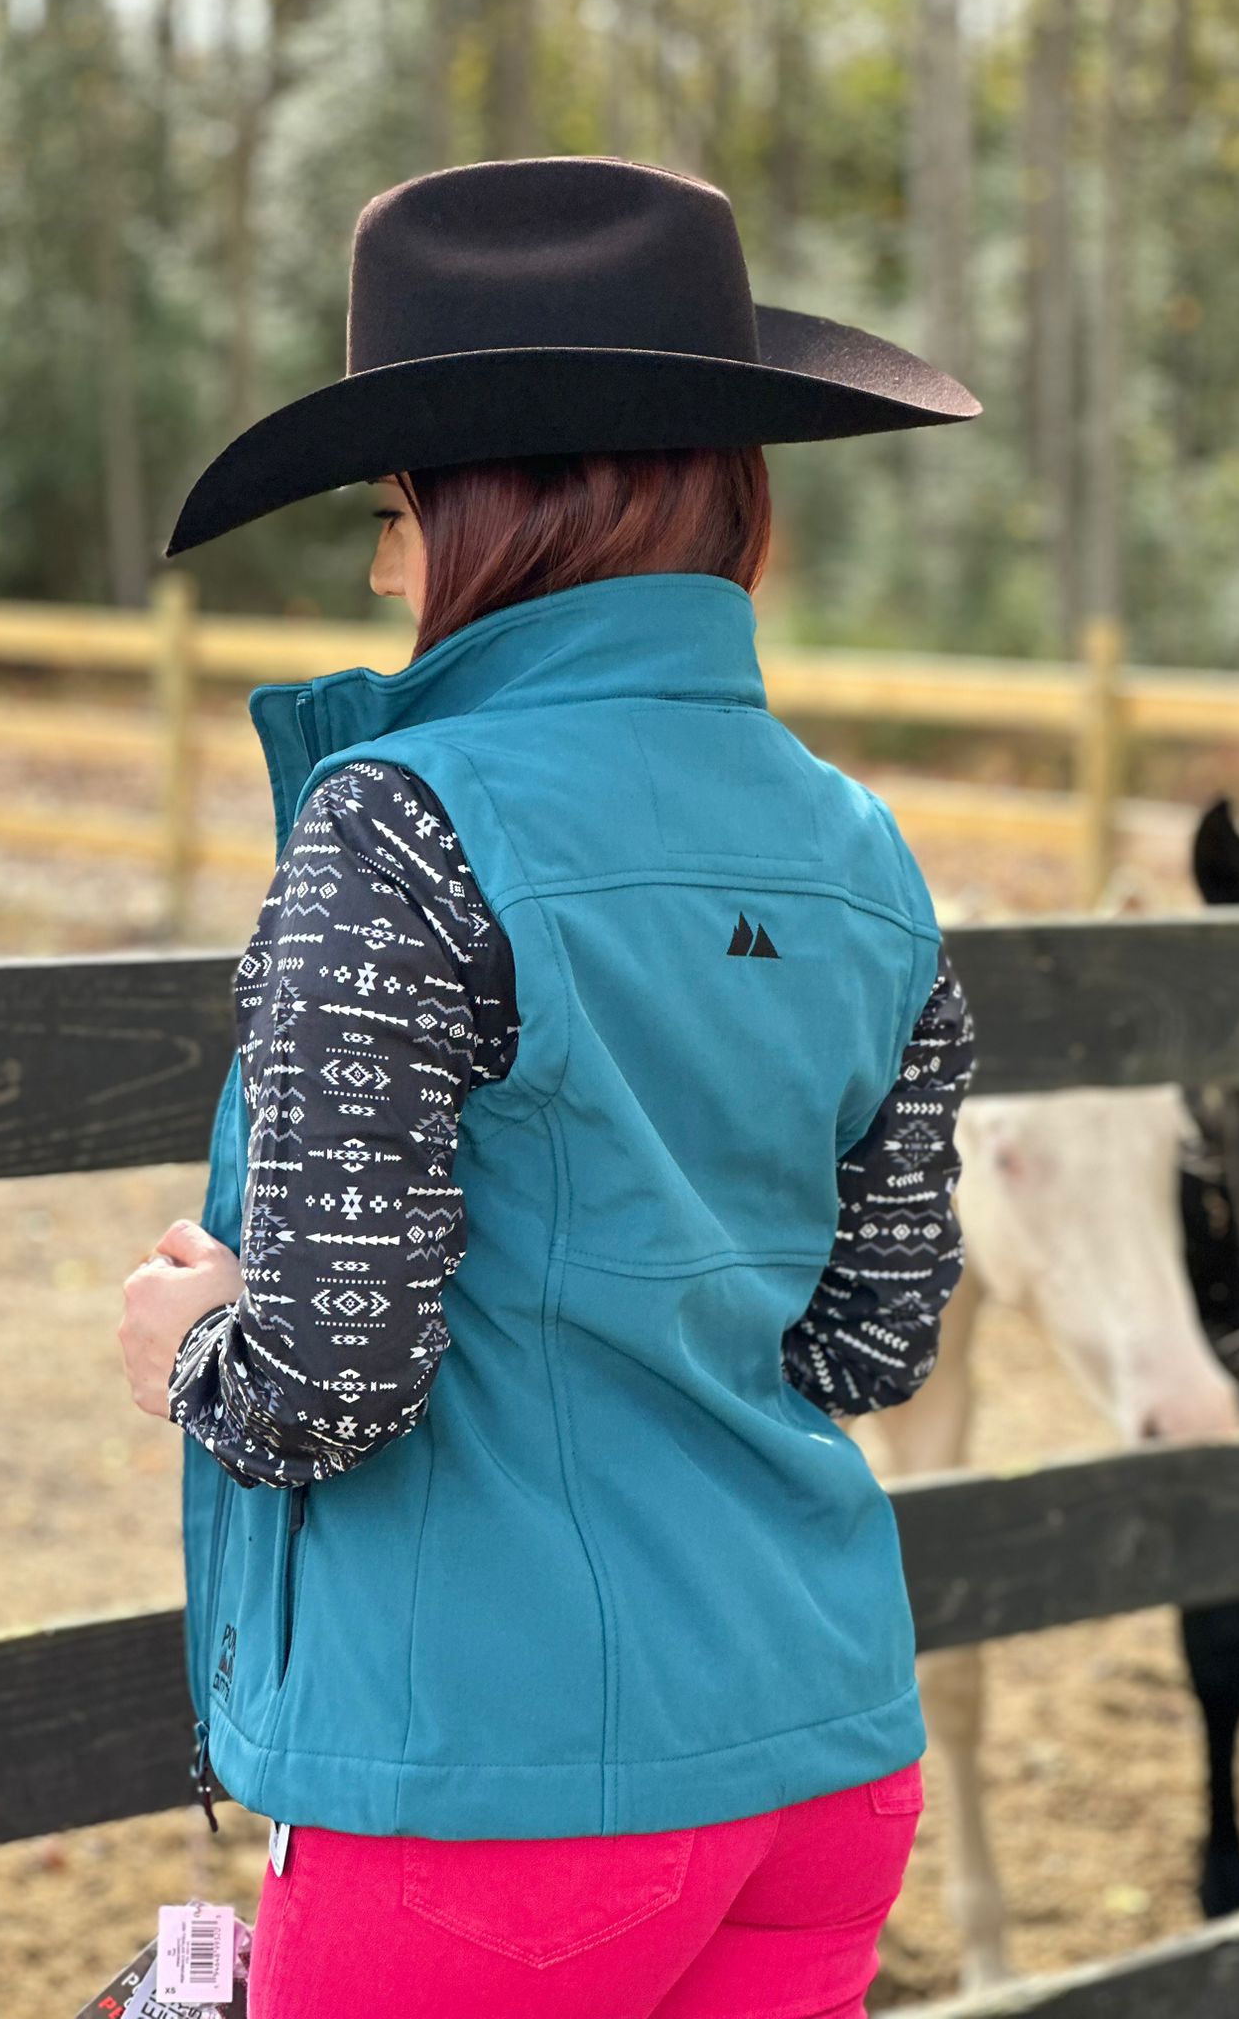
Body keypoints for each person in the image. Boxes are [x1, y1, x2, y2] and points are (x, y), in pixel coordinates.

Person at [114, 154, 980, 2019]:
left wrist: (187, 1342)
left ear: (477, 518)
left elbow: (328, 1388)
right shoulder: (867, 854)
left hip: (492, 1783)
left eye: (393, 513)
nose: (383, 565)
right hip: (819, 1751)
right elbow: (872, 1343)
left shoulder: (403, 828)